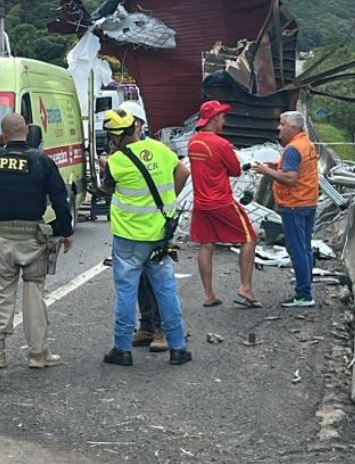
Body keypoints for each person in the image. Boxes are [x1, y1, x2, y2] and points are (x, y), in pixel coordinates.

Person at [0, 113, 74, 369]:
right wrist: (65, 231)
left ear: (3, 133)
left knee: (0, 292)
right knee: (34, 294)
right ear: (28, 131)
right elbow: (59, 197)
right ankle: (38, 353)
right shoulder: (41, 160)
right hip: (33, 238)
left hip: (2, 237)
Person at [100, 108, 192, 367]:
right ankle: (177, 347)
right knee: (166, 290)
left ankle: (122, 348)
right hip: (160, 234)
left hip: (129, 238)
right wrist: (166, 204)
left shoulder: (115, 162)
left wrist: (104, 166)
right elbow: (183, 173)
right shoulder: (160, 149)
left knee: (127, 292)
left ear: (116, 136)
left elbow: (106, 190)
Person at [187, 101, 261, 308]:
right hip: (221, 200)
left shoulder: (193, 143)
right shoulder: (221, 144)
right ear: (214, 119)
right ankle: (245, 286)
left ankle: (208, 294)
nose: (224, 120)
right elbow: (236, 170)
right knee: (249, 236)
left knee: (206, 243)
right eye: (222, 117)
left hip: (200, 202)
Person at [252, 110, 320, 307]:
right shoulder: (306, 144)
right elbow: (299, 168)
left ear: (292, 127)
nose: (278, 128)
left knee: (296, 249)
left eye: (282, 124)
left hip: (293, 205)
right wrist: (277, 165)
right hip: (308, 202)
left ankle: (303, 295)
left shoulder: (292, 149)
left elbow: (291, 178)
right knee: (305, 247)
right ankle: (305, 285)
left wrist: (266, 171)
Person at [118, 100, 166, 353]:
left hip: (153, 228)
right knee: (138, 282)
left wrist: (164, 208)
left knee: (156, 280)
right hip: (131, 229)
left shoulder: (155, 150)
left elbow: (180, 173)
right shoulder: (121, 155)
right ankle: (147, 326)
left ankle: (161, 329)